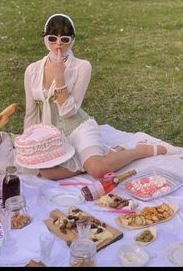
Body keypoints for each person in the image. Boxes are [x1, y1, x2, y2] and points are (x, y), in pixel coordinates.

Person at [23, 13, 179, 180]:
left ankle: (141, 150)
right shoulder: (32, 70)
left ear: (72, 40)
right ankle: (108, 155)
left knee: (97, 170)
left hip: (77, 127)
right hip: (51, 134)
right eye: (53, 38)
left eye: (65, 39)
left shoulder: (82, 67)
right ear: (46, 39)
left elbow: (67, 111)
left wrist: (60, 77)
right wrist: (29, 143)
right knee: (46, 173)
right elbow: (31, 113)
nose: (58, 44)